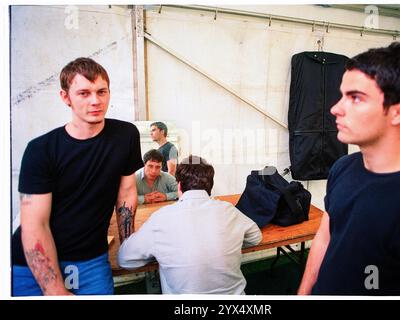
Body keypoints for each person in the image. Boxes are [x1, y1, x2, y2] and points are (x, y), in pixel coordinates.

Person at [297, 42, 400, 296]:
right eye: (342, 95)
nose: (335, 109)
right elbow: (325, 237)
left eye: (355, 98)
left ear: (399, 112)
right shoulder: (342, 167)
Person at [12, 57, 144, 296]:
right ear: (66, 97)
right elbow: (34, 224)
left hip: (91, 259)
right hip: (32, 265)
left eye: (101, 91)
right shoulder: (41, 149)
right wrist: (55, 291)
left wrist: (128, 246)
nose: (96, 101)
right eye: (84, 93)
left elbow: (126, 192)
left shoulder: (126, 136)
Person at [118, 155, 262, 294]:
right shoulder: (228, 210)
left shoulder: (161, 218)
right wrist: (227, 243)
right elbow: (256, 237)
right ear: (210, 186)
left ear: (179, 186)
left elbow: (125, 258)